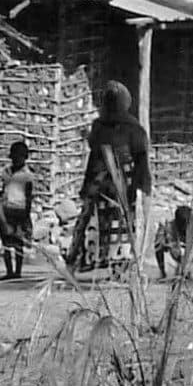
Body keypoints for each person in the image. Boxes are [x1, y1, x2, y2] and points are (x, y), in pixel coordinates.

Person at [69, 80, 151, 271]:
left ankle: (113, 263)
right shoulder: (106, 128)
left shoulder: (128, 129)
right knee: (107, 222)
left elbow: (140, 161)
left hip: (119, 185)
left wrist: (141, 186)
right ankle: (100, 261)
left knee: (117, 222)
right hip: (109, 185)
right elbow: (96, 156)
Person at [0, 141, 36, 280]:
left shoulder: (27, 175)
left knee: (18, 241)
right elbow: (3, 189)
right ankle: (9, 271)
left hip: (20, 209)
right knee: (6, 241)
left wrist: (27, 215)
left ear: (24, 157)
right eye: (14, 155)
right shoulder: (6, 171)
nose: (16, 159)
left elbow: (29, 196)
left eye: (19, 156)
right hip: (6, 208)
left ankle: (18, 271)